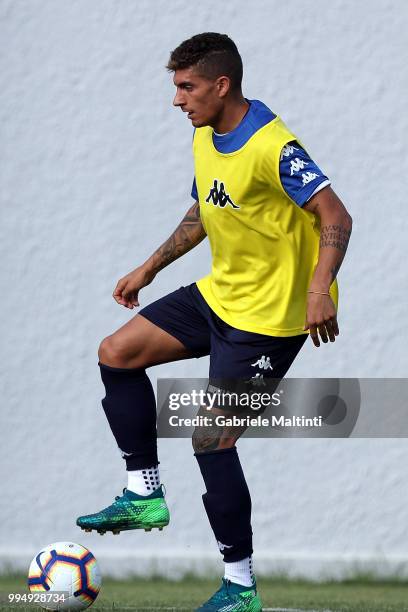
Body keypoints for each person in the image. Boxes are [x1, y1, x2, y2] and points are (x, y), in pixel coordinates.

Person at [76, 32, 352, 611]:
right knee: (116, 352)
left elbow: (336, 215)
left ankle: (240, 588)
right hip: (220, 295)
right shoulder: (204, 134)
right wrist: (148, 267)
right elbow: (205, 207)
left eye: (187, 86)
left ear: (221, 84)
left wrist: (319, 288)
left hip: (270, 319)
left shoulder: (274, 145)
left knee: (210, 438)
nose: (178, 100)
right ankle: (142, 492)